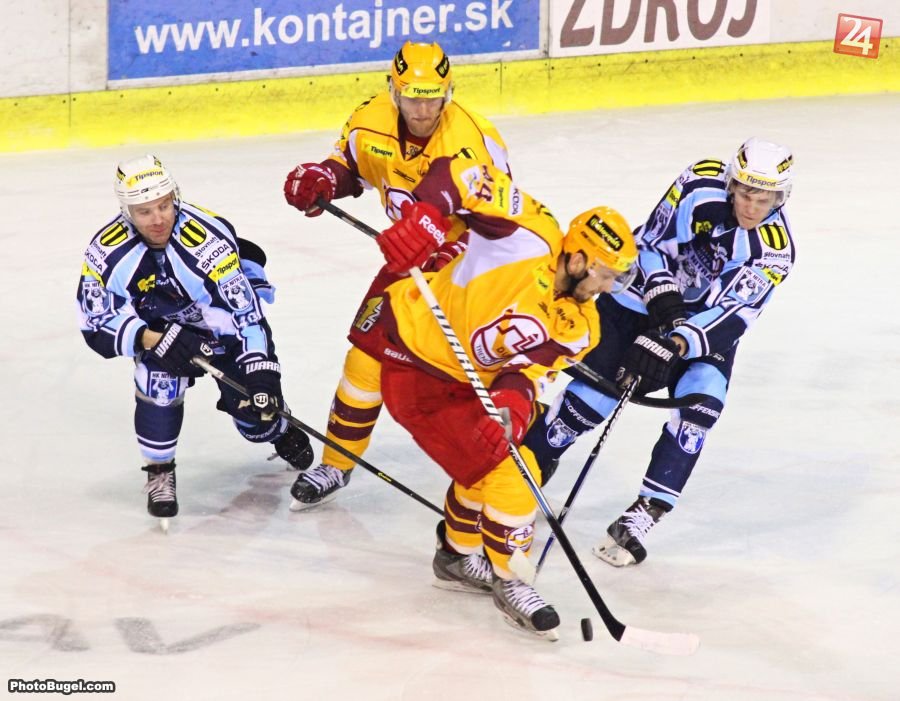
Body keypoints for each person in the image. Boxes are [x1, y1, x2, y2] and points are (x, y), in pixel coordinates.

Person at [373, 155, 637, 639]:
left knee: (493, 454)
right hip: (415, 362)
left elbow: (529, 371)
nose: (607, 287)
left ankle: (456, 555)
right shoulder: (530, 234)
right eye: (604, 274)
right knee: (515, 473)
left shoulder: (582, 324)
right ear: (578, 258)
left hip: (467, 385)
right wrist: (427, 217)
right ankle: (511, 580)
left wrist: (514, 404)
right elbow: (463, 173)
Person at [521, 137, 797, 567]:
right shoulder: (698, 184)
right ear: (731, 184)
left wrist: (675, 341)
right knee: (594, 396)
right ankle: (532, 465)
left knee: (702, 405)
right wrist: (665, 304)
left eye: (764, 200)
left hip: (700, 328)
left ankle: (644, 514)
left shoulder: (774, 252)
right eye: (745, 194)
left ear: (780, 198)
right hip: (638, 299)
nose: (751, 207)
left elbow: (733, 316)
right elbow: (650, 245)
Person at [282, 40, 511, 509]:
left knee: (477, 378)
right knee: (365, 358)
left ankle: (515, 467)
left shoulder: (473, 140)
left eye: (433, 99)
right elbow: (351, 167)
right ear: (394, 91)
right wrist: (324, 179)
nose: (422, 111)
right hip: (410, 262)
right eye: (412, 98)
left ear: (449, 93)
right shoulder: (370, 120)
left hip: (472, 268)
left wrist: (445, 246)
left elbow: (503, 222)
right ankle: (337, 463)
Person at [77, 154, 313, 524]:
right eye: (144, 212)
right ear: (126, 212)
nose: (158, 219)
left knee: (254, 412)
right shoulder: (106, 253)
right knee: (157, 386)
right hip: (161, 332)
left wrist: (262, 374)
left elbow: (245, 315)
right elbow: (95, 321)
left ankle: (278, 430)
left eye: (164, 205)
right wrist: (152, 339)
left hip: (219, 329)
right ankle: (159, 471)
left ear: (175, 197)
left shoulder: (208, 242)